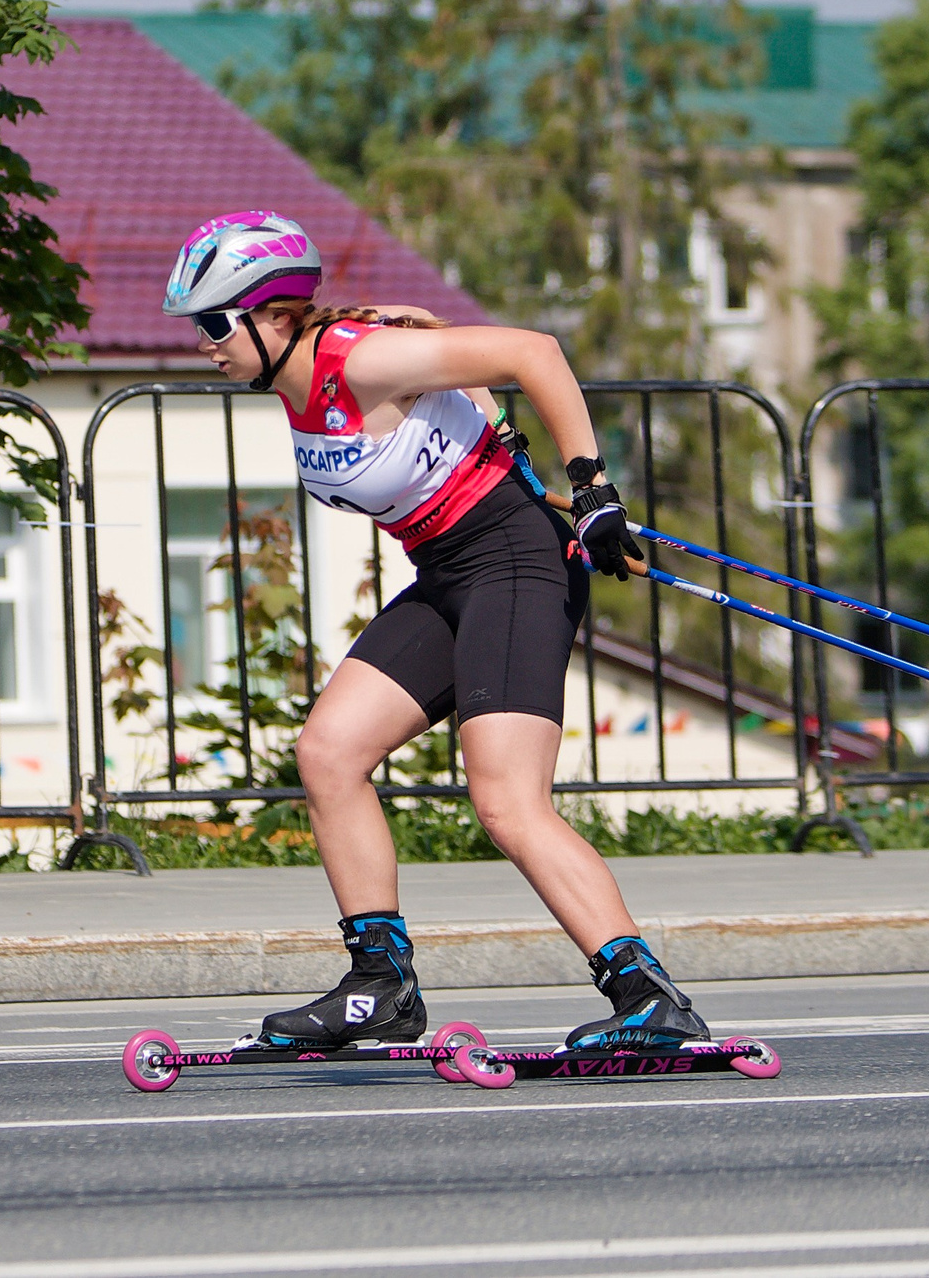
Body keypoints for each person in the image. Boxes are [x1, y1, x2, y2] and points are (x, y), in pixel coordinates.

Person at [161, 210, 712, 1055]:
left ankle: (647, 995)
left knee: (505, 799)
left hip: (518, 563)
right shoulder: (300, 379)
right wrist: (483, 415)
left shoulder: (362, 359)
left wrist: (594, 490)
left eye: (211, 323)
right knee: (329, 752)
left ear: (273, 316)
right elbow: (441, 359)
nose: (202, 343)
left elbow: (535, 353)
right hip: (447, 573)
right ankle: (381, 985)